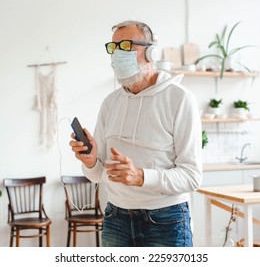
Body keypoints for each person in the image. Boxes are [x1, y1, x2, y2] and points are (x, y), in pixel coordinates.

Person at [69, 20, 202, 247]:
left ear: (151, 52)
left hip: (165, 221)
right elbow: (98, 173)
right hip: (115, 218)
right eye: (114, 48)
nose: (118, 54)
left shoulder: (180, 99)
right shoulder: (110, 103)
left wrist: (141, 176)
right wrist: (91, 162)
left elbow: (192, 176)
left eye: (126, 46)